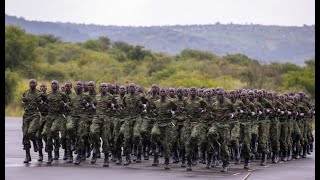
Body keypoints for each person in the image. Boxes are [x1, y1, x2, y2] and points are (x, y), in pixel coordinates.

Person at [21, 79, 42, 163]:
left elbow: (43, 104)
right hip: (26, 115)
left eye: (33, 83)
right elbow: (23, 103)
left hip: (35, 114)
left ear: (36, 84)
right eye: (30, 83)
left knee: (31, 131)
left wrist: (40, 101)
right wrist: (23, 101)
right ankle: (27, 156)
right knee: (25, 134)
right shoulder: (25, 93)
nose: (31, 84)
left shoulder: (39, 93)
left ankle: (34, 141)